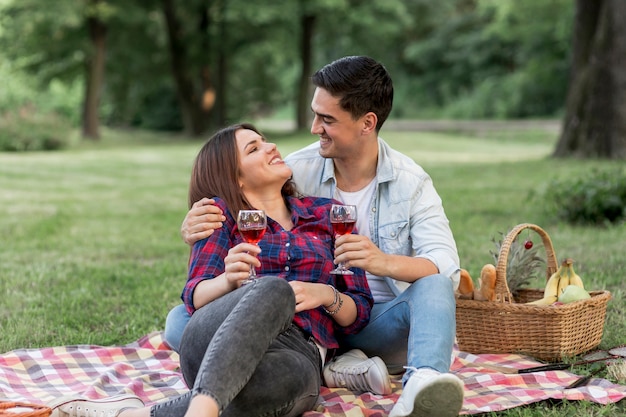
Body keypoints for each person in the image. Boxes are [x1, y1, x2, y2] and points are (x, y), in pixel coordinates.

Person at [175, 56, 465, 417]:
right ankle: (331, 366)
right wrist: (195, 225)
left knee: (435, 284)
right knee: (179, 321)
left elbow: (447, 268)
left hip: (366, 321)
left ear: (367, 123)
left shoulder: (410, 183)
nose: (314, 128)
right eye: (315, 114)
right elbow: (234, 183)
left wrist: (380, 263)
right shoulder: (296, 167)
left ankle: (421, 384)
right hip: (288, 328)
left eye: (327, 120)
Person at [48, 123, 373, 417]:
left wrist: (326, 294)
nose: (271, 146)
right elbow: (195, 295)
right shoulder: (219, 215)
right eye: (254, 148)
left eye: (266, 141)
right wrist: (228, 280)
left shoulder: (329, 215)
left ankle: (142, 415)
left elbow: (358, 310)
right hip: (214, 339)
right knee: (274, 287)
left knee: (262, 395)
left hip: (298, 356)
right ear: (235, 177)